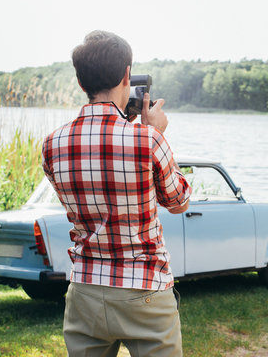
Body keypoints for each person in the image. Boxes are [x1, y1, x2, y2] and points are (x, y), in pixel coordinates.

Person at [42, 30, 191, 357]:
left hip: (85, 289)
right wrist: (155, 133)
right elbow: (178, 201)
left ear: (81, 84)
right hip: (144, 289)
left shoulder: (52, 145)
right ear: (127, 75)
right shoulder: (148, 140)